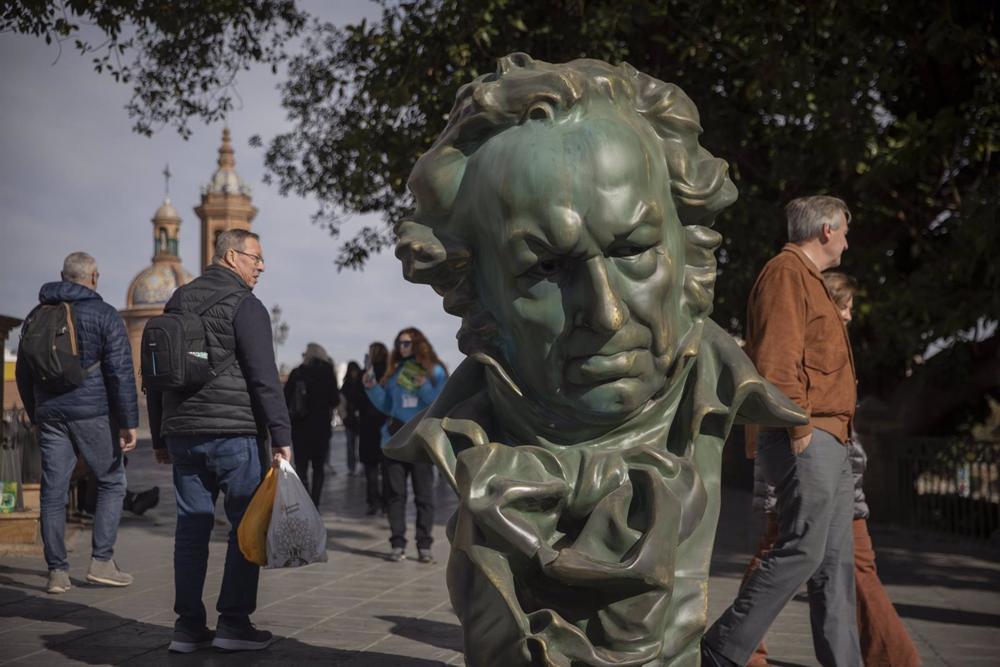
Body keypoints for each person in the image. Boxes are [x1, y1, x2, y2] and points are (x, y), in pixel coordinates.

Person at [703, 196, 860, 667]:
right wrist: (797, 429)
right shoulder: (786, 273)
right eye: (846, 232)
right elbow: (776, 358)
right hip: (807, 437)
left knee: (835, 567)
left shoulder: (808, 279)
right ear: (827, 231)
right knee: (802, 551)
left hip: (833, 438)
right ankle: (721, 649)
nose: (849, 243)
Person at [744, 272, 920, 667]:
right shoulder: (804, 343)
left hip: (838, 477)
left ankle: (892, 659)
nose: (849, 316)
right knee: (781, 556)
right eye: (845, 306)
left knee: (845, 564)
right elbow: (791, 405)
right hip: (805, 474)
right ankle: (738, 649)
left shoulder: (832, 346)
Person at [147, 229, 292, 654]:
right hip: (233, 434)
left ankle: (187, 628)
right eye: (256, 257)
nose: (261, 265)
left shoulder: (176, 301)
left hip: (184, 436)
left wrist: (159, 433)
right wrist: (281, 436)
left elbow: (155, 375)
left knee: (191, 527)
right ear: (231, 257)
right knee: (245, 526)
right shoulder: (246, 306)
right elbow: (265, 377)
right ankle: (233, 623)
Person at [16, 251, 138, 594]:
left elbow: (25, 373)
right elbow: (119, 372)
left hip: (50, 414)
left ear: (62, 276)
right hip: (92, 413)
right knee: (112, 480)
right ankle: (101, 561)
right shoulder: (104, 314)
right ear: (94, 277)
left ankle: (57, 571)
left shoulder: (36, 315)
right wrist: (128, 421)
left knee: (53, 491)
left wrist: (37, 412)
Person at [364, 328, 447, 562]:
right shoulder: (396, 371)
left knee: (424, 495)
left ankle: (424, 545)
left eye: (407, 343)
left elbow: (441, 402)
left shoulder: (435, 371)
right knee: (395, 495)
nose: (402, 347)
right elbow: (388, 406)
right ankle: (397, 543)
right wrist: (372, 388)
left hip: (420, 441)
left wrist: (423, 385)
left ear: (419, 343)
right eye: (399, 343)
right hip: (394, 439)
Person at [283, 343, 339, 507]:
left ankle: (304, 500)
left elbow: (286, 399)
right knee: (318, 468)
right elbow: (334, 400)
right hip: (321, 428)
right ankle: (315, 503)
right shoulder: (328, 372)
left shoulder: (297, 373)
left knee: (301, 468)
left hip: (300, 428)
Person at [353, 343, 388, 515]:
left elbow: (357, 399)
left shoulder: (366, 374)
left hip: (368, 423)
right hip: (386, 423)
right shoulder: (391, 373)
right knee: (387, 465)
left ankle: (374, 501)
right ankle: (389, 501)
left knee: (371, 467)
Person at [339, 360, 363, 476]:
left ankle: (361, 465)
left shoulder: (361, 384)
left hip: (361, 419)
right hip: (350, 420)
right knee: (350, 445)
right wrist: (344, 417)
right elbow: (341, 404)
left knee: (360, 445)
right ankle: (352, 467)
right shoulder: (346, 386)